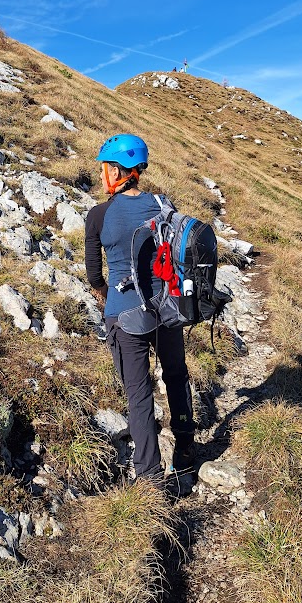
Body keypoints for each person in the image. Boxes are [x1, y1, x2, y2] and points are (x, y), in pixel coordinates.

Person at [84, 133, 197, 484]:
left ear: (118, 171)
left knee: (138, 392)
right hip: (168, 308)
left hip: (125, 314)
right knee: (176, 377)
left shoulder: (98, 215)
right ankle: (185, 452)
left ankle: (149, 475)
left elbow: (94, 275)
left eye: (106, 167)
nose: (103, 174)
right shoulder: (164, 205)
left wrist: (110, 297)